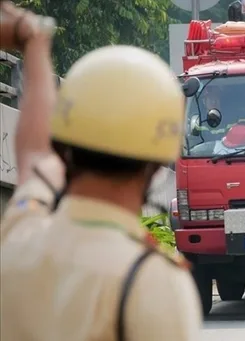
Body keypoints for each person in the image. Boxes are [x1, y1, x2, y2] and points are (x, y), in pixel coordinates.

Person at [0, 6, 202, 339]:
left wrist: (33, 41)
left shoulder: (24, 225)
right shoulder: (153, 281)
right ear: (156, 167)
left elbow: (35, 153)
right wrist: (32, 39)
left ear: (65, 147)